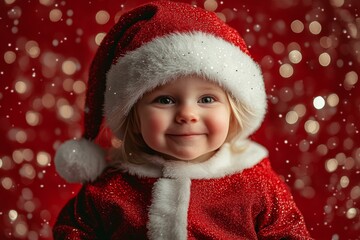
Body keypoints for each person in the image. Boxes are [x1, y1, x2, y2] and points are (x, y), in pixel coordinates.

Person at [52, 1, 312, 239]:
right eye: (165, 100)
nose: (188, 115)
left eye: (207, 99)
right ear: (134, 114)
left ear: (234, 111)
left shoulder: (256, 184)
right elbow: (73, 231)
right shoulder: (111, 187)